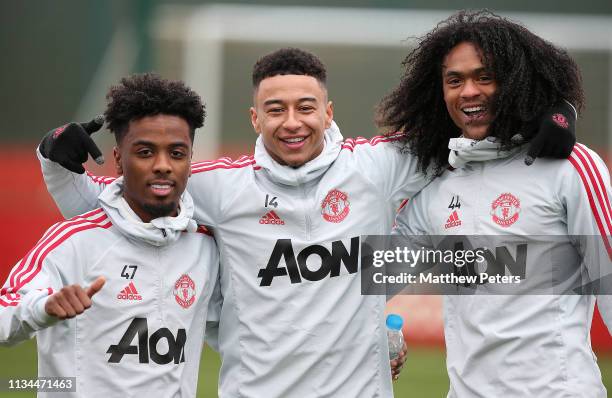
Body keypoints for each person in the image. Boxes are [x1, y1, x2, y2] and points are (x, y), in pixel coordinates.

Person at [36, 48, 575, 397]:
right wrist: (55, 160)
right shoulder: (218, 186)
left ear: (328, 109)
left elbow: (471, 125)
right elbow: (108, 211)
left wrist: (548, 114)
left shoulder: (379, 166)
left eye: (305, 107)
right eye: (275, 109)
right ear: (255, 118)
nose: (292, 123)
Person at [381, 10, 612, 397]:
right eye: (454, 80)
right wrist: (367, 336)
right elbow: (371, 278)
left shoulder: (570, 167)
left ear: (517, 82)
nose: (468, 91)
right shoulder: (435, 183)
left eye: (484, 77)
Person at [0, 73, 219, 398]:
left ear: (190, 160)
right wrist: (42, 307)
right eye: (145, 152)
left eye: (176, 153)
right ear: (118, 159)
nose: (162, 165)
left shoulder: (205, 248)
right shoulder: (72, 242)